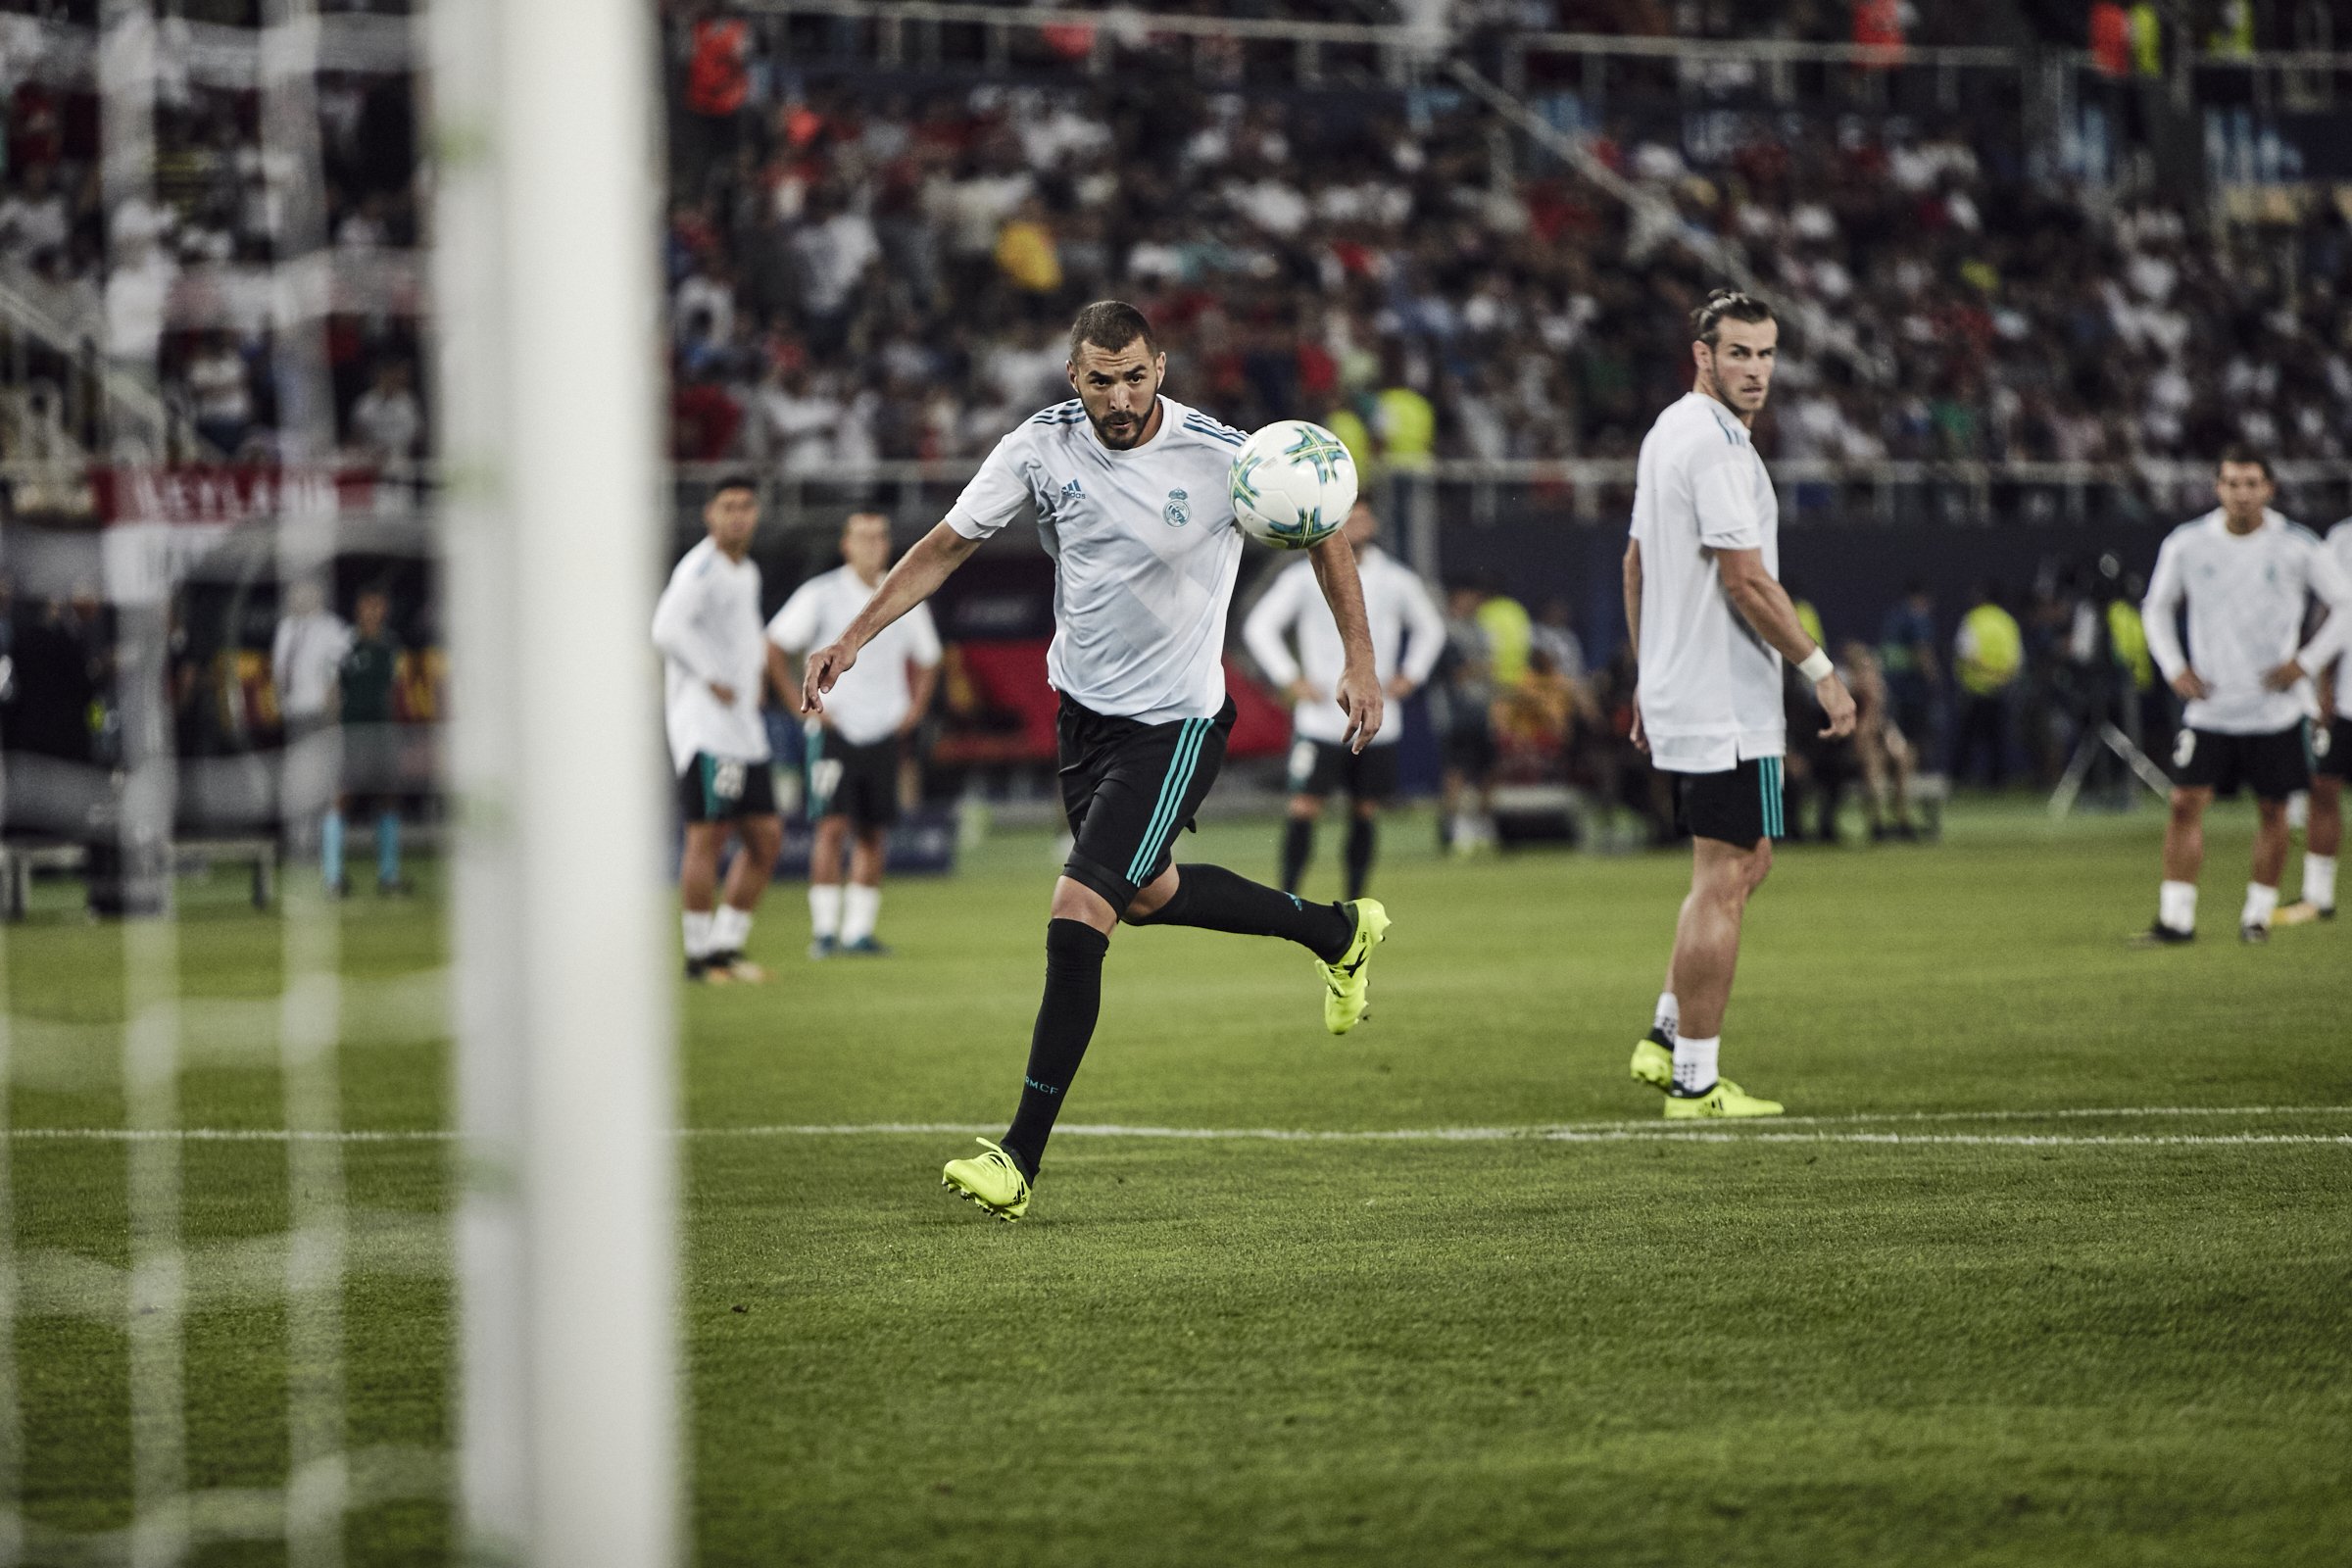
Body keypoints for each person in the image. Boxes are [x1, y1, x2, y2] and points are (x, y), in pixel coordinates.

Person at [799, 300, 1391, 1222]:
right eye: (1100, 380)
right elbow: (946, 546)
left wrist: (1358, 658)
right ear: (1073, 379)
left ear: (1162, 367)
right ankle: (1335, 931)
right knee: (1148, 893)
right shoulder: (1039, 449)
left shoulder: (1225, 456)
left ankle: (1018, 1158)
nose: (1121, 396)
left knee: (1080, 911)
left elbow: (1324, 533)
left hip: (1179, 723)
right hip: (1085, 720)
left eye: (1137, 376)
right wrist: (853, 636)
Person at [1622, 289, 1856, 1119]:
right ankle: (1695, 1079)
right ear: (1704, 355)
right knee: (1726, 878)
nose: (1756, 370)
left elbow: (1638, 562)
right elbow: (1747, 580)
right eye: (1740, 354)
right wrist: (1820, 667)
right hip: (1725, 701)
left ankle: (1663, 1034)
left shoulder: (1666, 432)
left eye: (1766, 354)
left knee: (1736, 868)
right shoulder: (1719, 447)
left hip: (1688, 689)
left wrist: (1649, 674)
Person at [2137, 451, 2352, 944]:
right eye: (2232, 483)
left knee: (2274, 810)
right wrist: (2174, 667)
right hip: (2212, 705)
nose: (2241, 493)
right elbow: (2157, 608)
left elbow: (2343, 604)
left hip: (2274, 707)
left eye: (2251, 483)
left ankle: (2257, 914)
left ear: (2270, 489)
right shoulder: (2188, 544)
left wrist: (2307, 662)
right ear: (2217, 488)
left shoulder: (2296, 546)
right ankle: (2177, 919)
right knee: (2184, 803)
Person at [1244, 499, 1444, 902]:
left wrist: (1412, 675)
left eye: (1365, 516)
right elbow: (1260, 626)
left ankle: (1355, 899)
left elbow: (1431, 628)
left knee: (1365, 809)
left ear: (1375, 523)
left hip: (1375, 717)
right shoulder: (1304, 577)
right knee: (1304, 805)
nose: (1357, 524)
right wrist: (1290, 678)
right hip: (1320, 716)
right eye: (1350, 516)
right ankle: (1288, 896)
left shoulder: (1396, 579)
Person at [766, 511, 942, 957]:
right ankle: (824, 932)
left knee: (872, 831)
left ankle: (857, 932)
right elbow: (775, 644)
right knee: (831, 827)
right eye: (863, 537)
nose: (872, 544)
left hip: (882, 726)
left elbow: (929, 658)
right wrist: (797, 704)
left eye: (880, 536)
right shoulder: (821, 594)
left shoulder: (903, 593)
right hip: (835, 727)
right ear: (846, 545)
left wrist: (913, 711)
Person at [652, 475, 782, 983]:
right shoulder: (701, 567)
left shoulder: (743, 570)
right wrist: (712, 676)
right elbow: (665, 628)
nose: (738, 516)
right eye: (727, 506)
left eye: (746, 506)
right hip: (705, 728)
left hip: (743, 728)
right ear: (710, 514)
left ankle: (726, 948)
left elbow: (742, 635)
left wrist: (752, 681)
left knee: (766, 838)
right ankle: (698, 957)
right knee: (707, 836)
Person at [2280, 514, 2352, 923]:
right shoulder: (2342, 538)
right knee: (2324, 788)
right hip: (2347, 696)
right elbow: (2328, 612)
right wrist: (2323, 682)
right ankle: (2318, 895)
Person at [271, 577, 352, 890]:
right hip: (294, 721)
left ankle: (332, 873)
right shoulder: (286, 628)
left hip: (322, 719)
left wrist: (332, 717)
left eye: (304, 589)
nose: (297, 596)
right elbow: (279, 674)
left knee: (330, 794)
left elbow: (336, 676)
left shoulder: (332, 629)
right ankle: (301, 869)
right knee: (298, 795)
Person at [335, 586, 410, 894]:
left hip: (382, 732)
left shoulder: (392, 646)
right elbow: (332, 689)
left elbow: (399, 690)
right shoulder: (343, 643)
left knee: (389, 799)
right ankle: (333, 876)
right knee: (342, 798)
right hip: (351, 732)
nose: (373, 612)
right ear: (358, 610)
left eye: (378, 606)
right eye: (368, 605)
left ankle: (389, 876)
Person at [1950, 582, 2024, 788]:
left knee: (1967, 740)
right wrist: (2000, 675)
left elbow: (1965, 654)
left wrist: (1985, 673)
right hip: (2001, 690)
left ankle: (1959, 781)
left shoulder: (1973, 619)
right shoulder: (2008, 622)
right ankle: (1998, 783)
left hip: (1975, 691)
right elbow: (2016, 661)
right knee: (1998, 741)